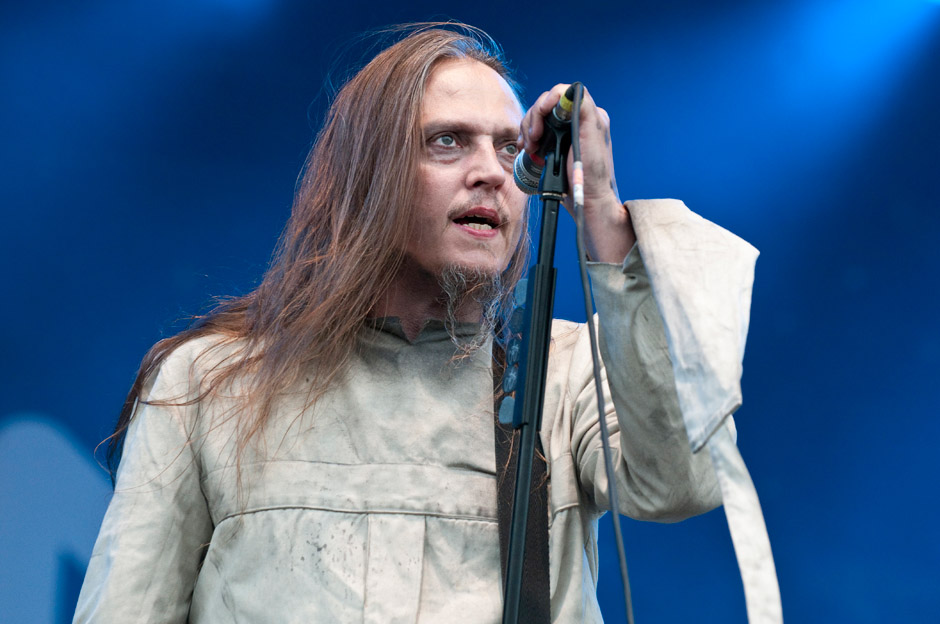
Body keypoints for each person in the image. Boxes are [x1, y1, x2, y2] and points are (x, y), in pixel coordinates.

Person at [74, 23, 748, 622]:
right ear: (367, 177)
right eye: (447, 142)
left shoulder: (567, 371)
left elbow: (681, 483)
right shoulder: (210, 382)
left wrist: (603, 213)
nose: (491, 173)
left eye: (510, 149)